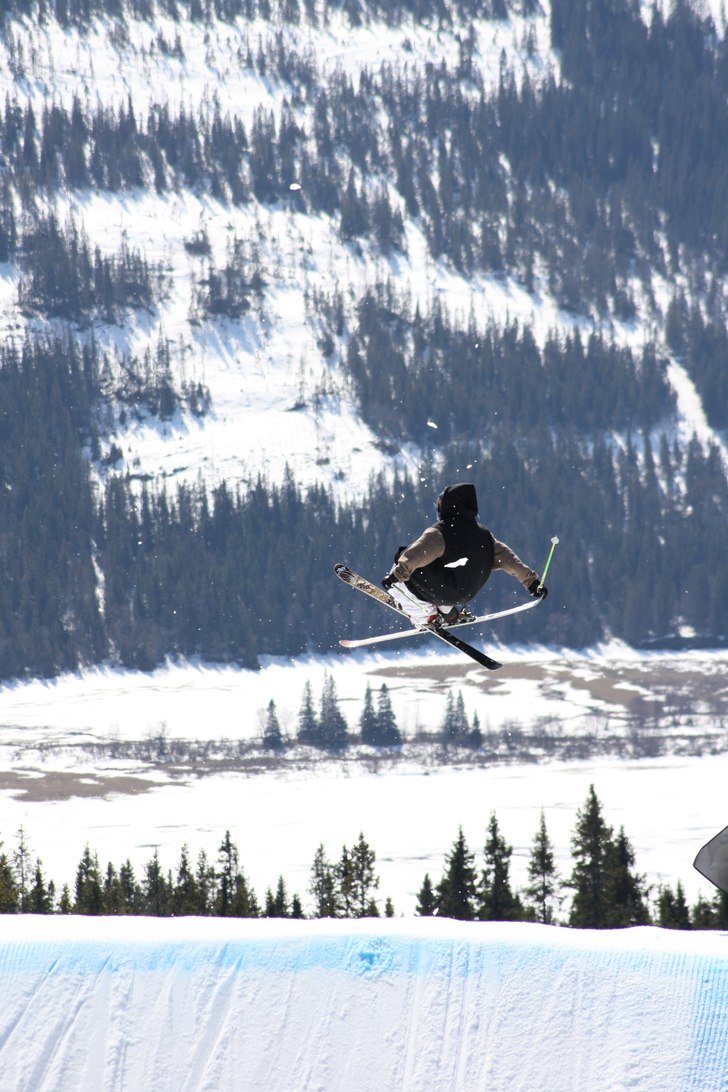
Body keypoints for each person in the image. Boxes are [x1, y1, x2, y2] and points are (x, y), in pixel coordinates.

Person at [382, 482, 547, 626]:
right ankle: (446, 610)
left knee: (401, 566)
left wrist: (395, 577)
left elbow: (417, 554)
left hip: (443, 589)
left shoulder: (440, 532)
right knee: (434, 567)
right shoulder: (485, 536)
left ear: (446, 505)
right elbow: (510, 561)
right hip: (467, 594)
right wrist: (531, 582)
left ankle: (426, 616)